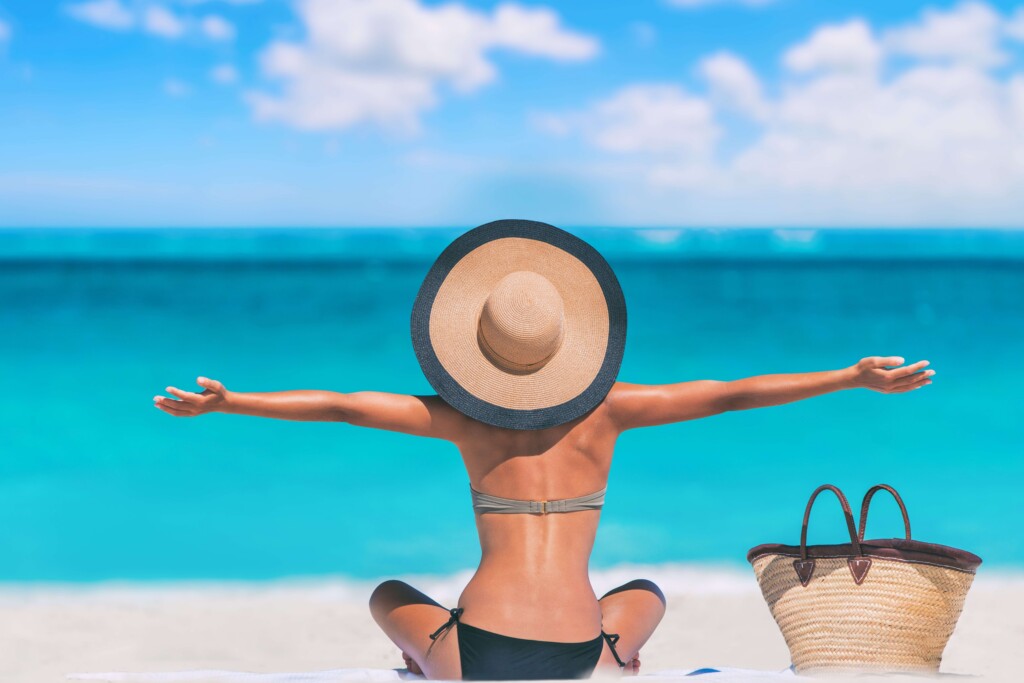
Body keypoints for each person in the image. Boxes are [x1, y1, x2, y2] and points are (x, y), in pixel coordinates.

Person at [153, 220, 934, 680]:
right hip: (578, 655)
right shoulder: (614, 409)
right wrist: (848, 376)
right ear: (574, 348)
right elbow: (731, 390)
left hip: (474, 652)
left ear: (472, 352)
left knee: (388, 591)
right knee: (643, 592)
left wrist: (232, 401)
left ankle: (431, 668)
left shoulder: (461, 419)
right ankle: (619, 666)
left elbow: (344, 407)